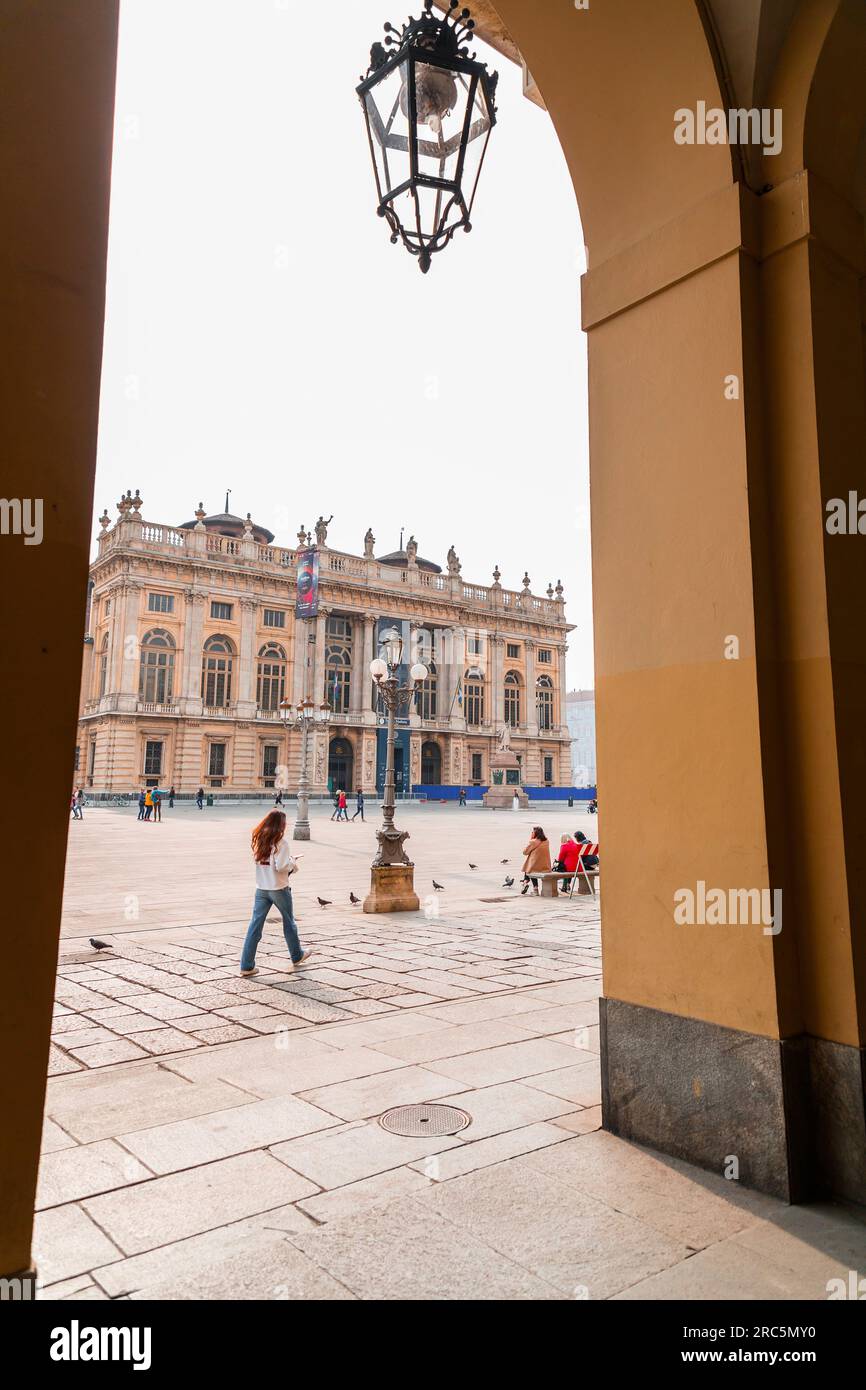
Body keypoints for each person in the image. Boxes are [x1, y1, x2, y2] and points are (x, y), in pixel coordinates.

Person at [240, 810, 312, 977]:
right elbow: (280, 866)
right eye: (284, 823)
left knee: (255, 925)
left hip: (261, 888)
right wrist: (293, 863)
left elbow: (259, 862)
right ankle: (297, 955)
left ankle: (246, 964)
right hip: (279, 888)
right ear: (280, 825)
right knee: (289, 922)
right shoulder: (281, 842)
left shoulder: (259, 840)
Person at [521, 826, 551, 895]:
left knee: (529, 868)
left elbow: (525, 852)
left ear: (535, 833)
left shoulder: (533, 842)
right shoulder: (546, 841)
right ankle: (525, 882)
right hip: (546, 866)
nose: (531, 833)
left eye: (532, 832)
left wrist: (531, 839)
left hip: (535, 867)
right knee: (530, 867)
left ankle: (533, 888)